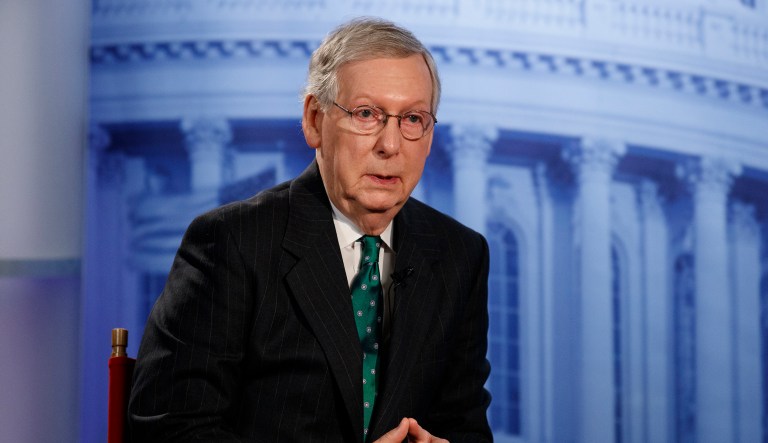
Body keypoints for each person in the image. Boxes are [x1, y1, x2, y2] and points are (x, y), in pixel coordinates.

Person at [128, 17, 492, 443]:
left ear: (430, 136)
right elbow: (170, 431)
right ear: (314, 120)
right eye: (366, 114)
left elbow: (465, 426)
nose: (390, 145)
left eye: (412, 119)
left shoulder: (459, 254)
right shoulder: (230, 243)